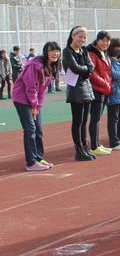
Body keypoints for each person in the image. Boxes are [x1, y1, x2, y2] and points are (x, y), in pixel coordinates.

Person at [11, 42, 61, 171]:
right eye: (51, 51)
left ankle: (38, 158)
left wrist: (38, 106)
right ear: (46, 52)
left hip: (33, 99)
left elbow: (42, 90)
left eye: (57, 51)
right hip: (22, 98)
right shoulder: (34, 65)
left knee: (38, 129)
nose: (55, 53)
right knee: (30, 129)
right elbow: (31, 87)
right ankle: (31, 162)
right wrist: (34, 106)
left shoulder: (51, 66)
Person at [62, 26, 96, 161]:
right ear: (73, 36)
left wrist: (87, 69)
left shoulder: (84, 50)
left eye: (84, 37)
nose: (82, 39)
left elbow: (91, 65)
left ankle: (84, 146)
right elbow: (74, 68)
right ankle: (78, 149)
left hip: (86, 88)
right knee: (78, 121)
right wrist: (86, 70)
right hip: (75, 90)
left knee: (84, 121)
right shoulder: (67, 51)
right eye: (80, 36)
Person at [87, 31, 113, 157]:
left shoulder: (105, 53)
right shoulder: (92, 54)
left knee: (97, 119)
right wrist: (104, 83)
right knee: (95, 118)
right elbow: (91, 73)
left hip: (105, 89)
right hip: (97, 90)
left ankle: (97, 144)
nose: (105, 43)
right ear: (97, 41)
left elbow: (107, 71)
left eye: (107, 41)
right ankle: (93, 146)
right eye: (102, 40)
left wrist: (107, 84)